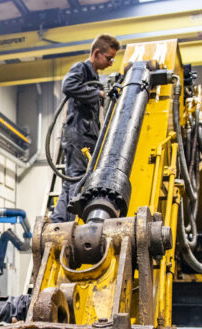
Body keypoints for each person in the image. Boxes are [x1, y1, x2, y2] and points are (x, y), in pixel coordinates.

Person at [51, 33, 120, 223]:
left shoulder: (94, 76)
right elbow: (68, 85)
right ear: (97, 53)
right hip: (79, 134)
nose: (111, 62)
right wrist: (98, 93)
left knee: (72, 179)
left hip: (85, 133)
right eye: (109, 58)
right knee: (79, 178)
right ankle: (73, 222)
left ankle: (59, 219)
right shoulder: (81, 68)